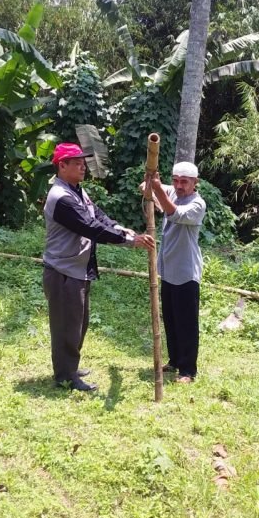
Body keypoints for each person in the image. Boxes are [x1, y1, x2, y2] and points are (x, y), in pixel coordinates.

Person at [43, 142, 154, 392]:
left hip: (76, 269)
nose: (83, 167)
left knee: (78, 323)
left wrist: (120, 228)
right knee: (66, 326)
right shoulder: (61, 198)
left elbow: (98, 216)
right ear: (62, 166)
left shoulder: (77, 191)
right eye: (77, 163)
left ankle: (70, 367)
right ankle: (65, 376)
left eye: (83, 163)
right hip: (63, 271)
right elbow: (90, 227)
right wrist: (129, 240)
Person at [149, 162, 206, 383]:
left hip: (185, 271)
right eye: (175, 180)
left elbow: (174, 213)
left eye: (184, 182)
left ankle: (188, 370)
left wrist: (157, 189)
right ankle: (174, 360)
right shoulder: (172, 192)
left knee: (186, 323)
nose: (179, 186)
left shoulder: (197, 204)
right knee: (171, 319)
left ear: (195, 183)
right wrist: (150, 180)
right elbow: (146, 187)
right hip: (168, 269)